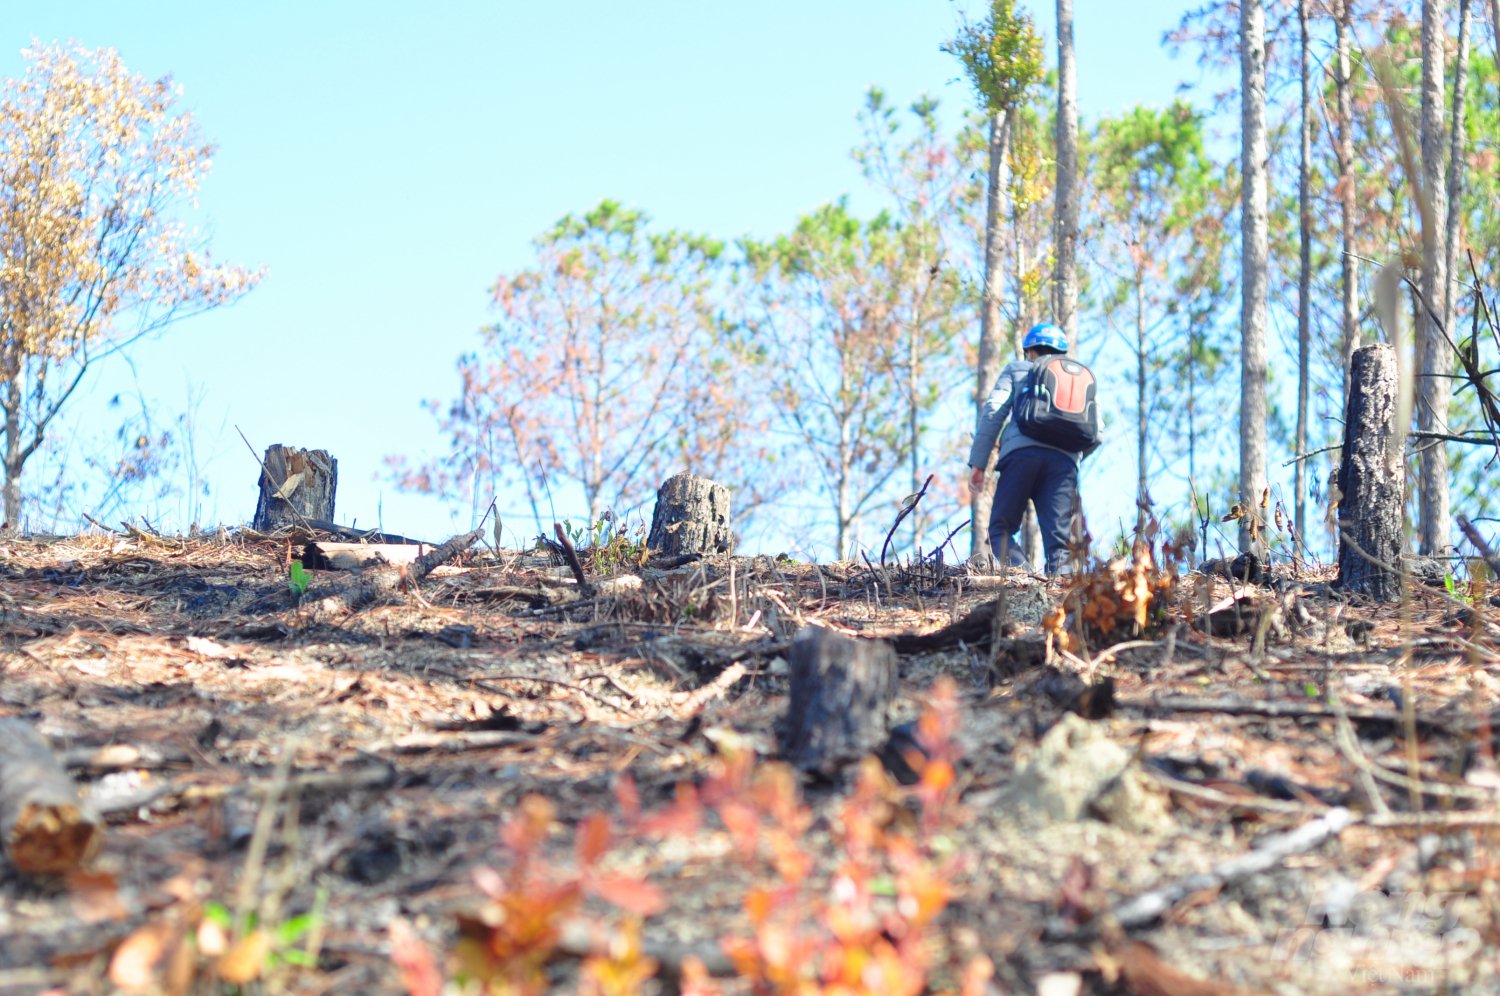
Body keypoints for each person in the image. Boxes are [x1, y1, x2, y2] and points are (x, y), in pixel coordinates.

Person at [967, 321, 1091, 575]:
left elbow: (993, 411)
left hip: (1021, 457)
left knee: (1000, 529)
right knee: (1061, 544)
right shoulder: (1076, 381)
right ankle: (1061, 598)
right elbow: (1096, 431)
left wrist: (979, 463)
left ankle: (1025, 581)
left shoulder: (1017, 369)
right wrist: (1073, 458)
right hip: (1063, 464)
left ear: (1030, 351)